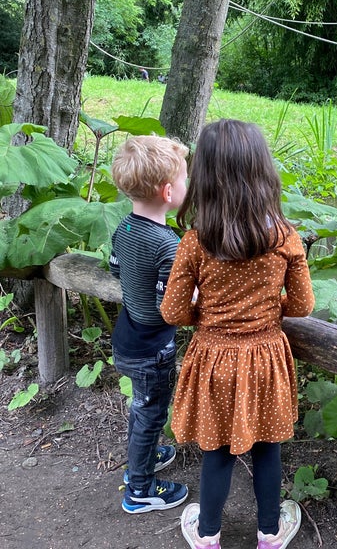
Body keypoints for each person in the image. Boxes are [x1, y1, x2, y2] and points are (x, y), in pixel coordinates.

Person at [160, 119, 315, 549]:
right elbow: (302, 306)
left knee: (218, 450)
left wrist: (209, 316)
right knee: (268, 445)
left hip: (214, 359)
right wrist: (268, 311)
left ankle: (208, 534)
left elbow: (172, 311)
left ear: (204, 177)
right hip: (266, 356)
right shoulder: (285, 237)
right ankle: (269, 531)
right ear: (262, 172)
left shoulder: (195, 242)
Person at [109, 135, 190, 514]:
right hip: (151, 349)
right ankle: (140, 488)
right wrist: (195, 299)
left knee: (142, 407)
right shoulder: (166, 244)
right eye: (186, 178)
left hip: (126, 336)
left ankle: (145, 457)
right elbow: (168, 309)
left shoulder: (124, 228)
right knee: (152, 412)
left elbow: (115, 268)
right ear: (169, 190)